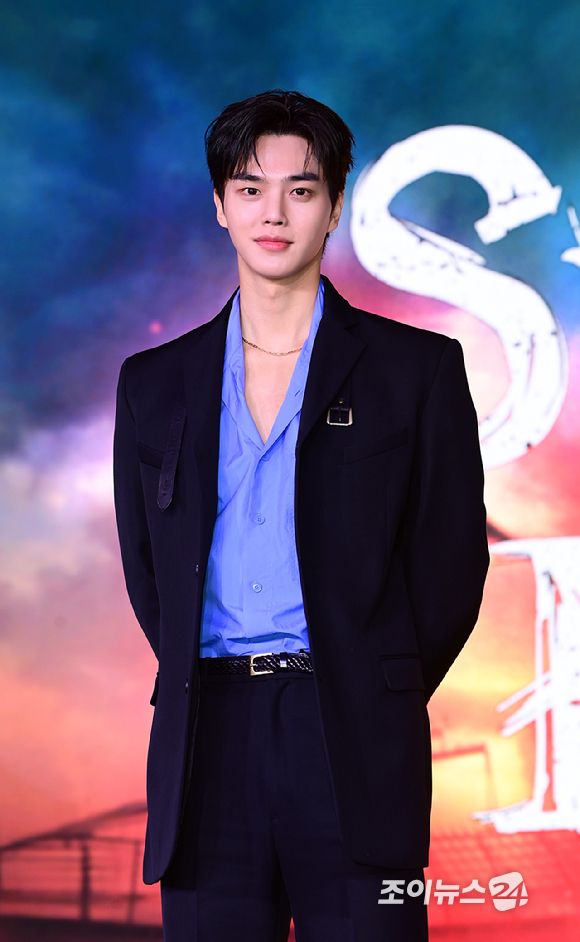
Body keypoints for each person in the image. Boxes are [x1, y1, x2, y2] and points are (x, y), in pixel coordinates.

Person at [113, 88, 490, 941]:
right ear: (220, 205)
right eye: (250, 189)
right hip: (206, 741)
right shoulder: (154, 383)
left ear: (335, 206)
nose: (274, 213)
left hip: (353, 732)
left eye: (301, 189)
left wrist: (374, 680)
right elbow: (148, 569)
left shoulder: (417, 370)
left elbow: (450, 569)